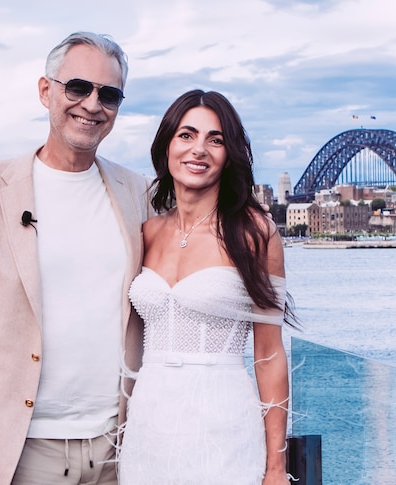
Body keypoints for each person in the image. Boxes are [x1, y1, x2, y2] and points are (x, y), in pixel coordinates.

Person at [0, 32, 150, 485]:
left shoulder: (139, 194)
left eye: (109, 94)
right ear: (45, 90)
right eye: (78, 87)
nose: (92, 104)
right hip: (24, 450)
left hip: (122, 446)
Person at [118, 90, 296, 485]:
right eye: (187, 135)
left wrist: (276, 467)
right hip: (149, 422)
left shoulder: (254, 233)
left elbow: (268, 355)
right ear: (167, 145)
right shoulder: (148, 232)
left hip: (224, 424)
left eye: (215, 140)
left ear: (229, 154)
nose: (199, 149)